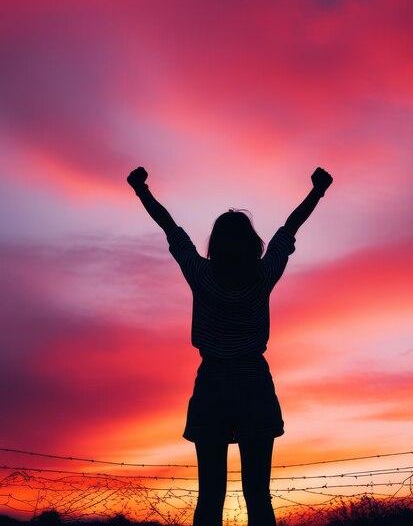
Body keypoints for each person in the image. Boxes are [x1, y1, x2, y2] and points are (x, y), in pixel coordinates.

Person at [127, 166, 333, 526]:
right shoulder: (264, 274)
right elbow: (290, 228)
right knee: (258, 496)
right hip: (255, 383)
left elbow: (171, 229)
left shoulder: (201, 274)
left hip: (212, 385)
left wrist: (142, 190)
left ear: (216, 245)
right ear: (252, 243)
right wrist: (316, 191)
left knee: (210, 499)